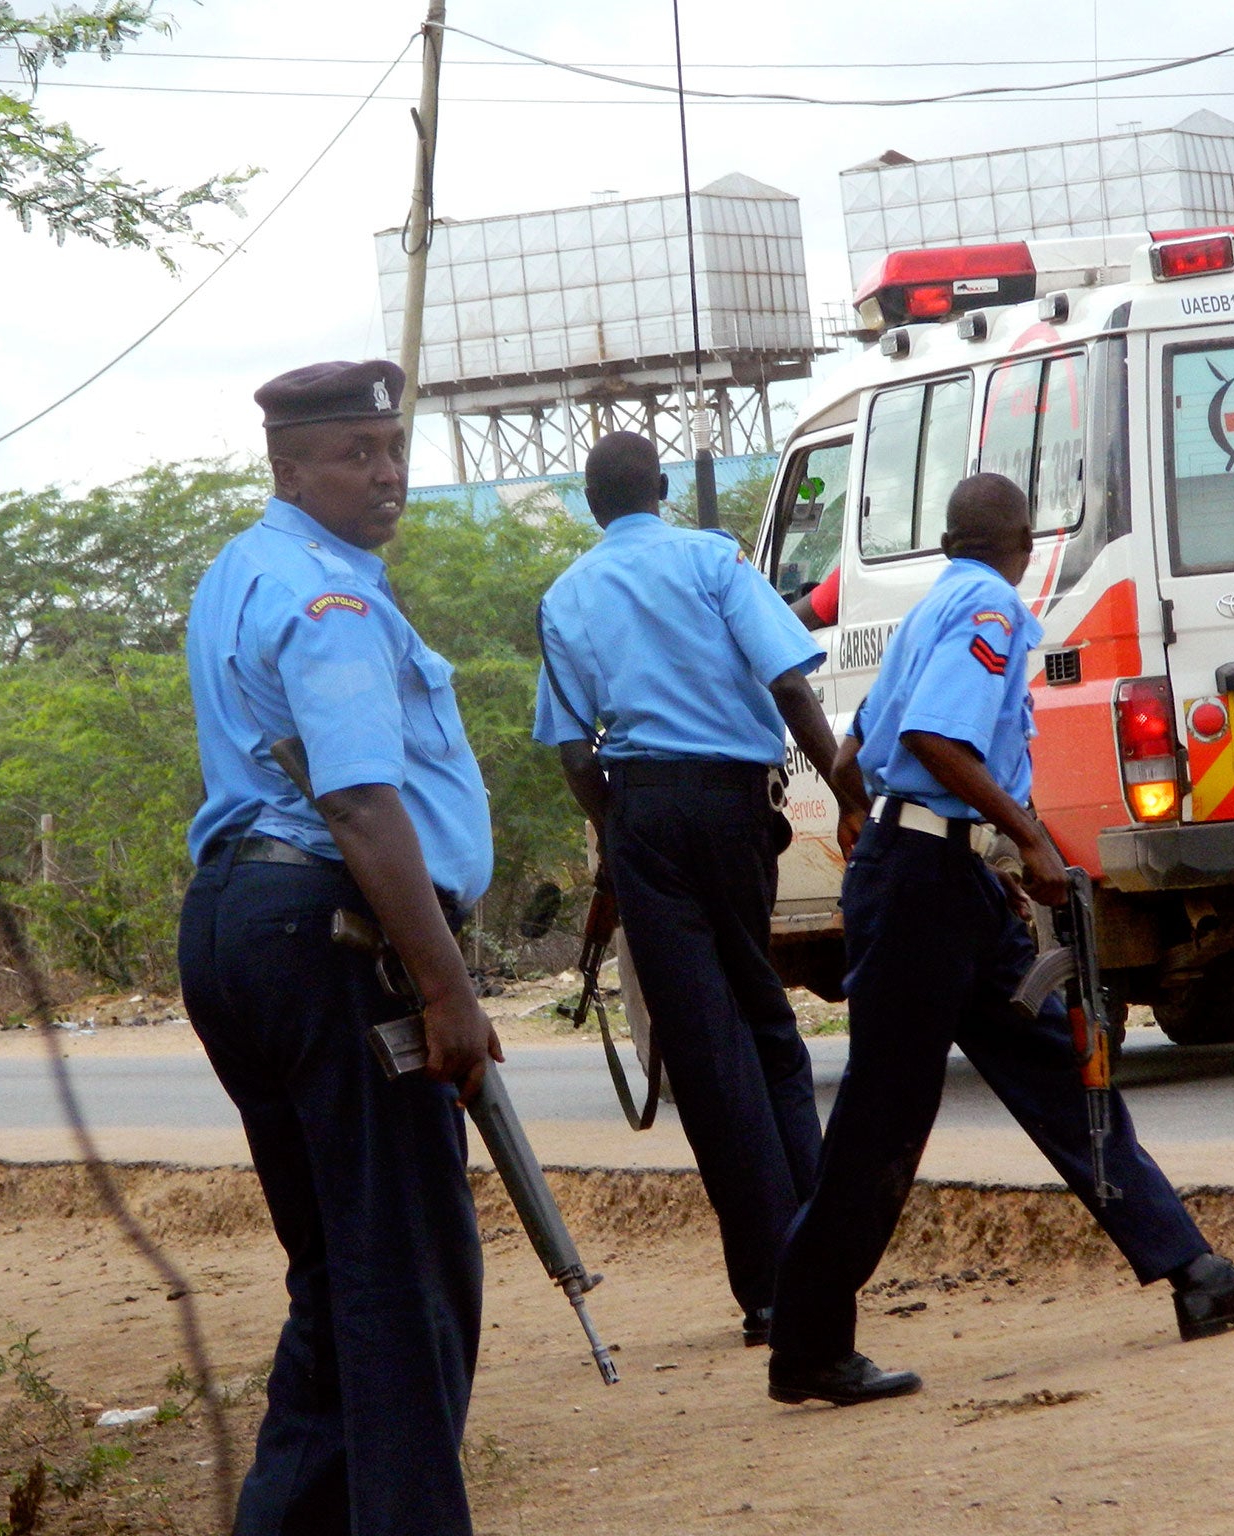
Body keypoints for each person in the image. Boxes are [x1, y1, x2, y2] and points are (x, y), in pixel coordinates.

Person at [766, 474, 1234, 1407]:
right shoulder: (991, 605)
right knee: (881, 1118)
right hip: (926, 889)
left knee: (1065, 1074)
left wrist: (892, 825)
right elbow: (941, 740)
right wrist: (1025, 838)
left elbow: (858, 753)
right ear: (1022, 540)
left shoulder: (931, 604)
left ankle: (1194, 1274)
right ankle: (809, 1344)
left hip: (937, 881)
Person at [177, 360, 497, 1536]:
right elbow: (362, 804)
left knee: (341, 1272)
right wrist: (447, 989)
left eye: (392, 448)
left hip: (241, 923)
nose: (386, 475)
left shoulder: (238, 570)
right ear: (288, 466)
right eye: (355, 454)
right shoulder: (330, 599)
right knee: (407, 1276)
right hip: (328, 933)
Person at [533, 430, 854, 1345]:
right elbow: (790, 686)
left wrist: (619, 836)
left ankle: (766, 1289)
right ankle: (824, 1261)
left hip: (641, 809)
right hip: (733, 805)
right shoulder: (713, 561)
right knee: (765, 1021)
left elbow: (569, 751)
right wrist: (845, 790)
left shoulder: (567, 596)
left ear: (591, 505)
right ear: (664, 487)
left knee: (707, 1057)